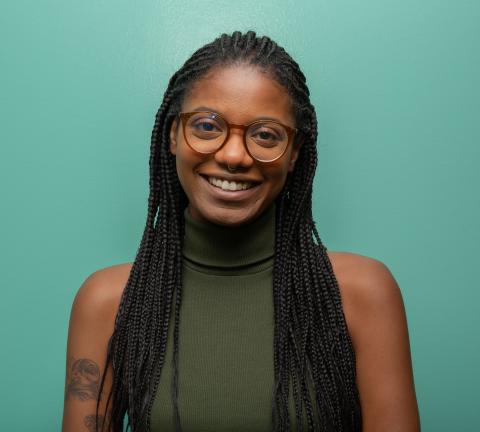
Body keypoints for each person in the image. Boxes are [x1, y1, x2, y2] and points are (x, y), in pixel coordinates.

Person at [62, 31, 420, 432]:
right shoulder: (108, 302)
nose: (234, 156)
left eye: (266, 135)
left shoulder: (362, 294)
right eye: (206, 126)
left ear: (295, 153)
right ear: (173, 135)